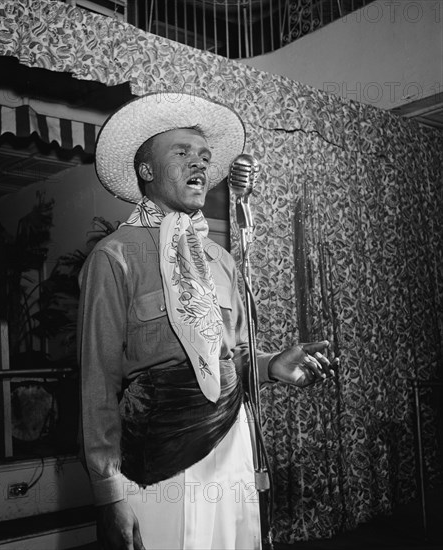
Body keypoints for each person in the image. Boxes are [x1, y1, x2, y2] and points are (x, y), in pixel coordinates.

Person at [78, 93, 338, 550]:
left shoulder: (221, 260)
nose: (198, 164)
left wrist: (271, 364)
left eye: (203, 156)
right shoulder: (114, 255)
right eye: (181, 153)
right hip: (160, 462)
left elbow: (231, 357)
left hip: (232, 446)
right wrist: (108, 493)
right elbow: (97, 382)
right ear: (146, 170)